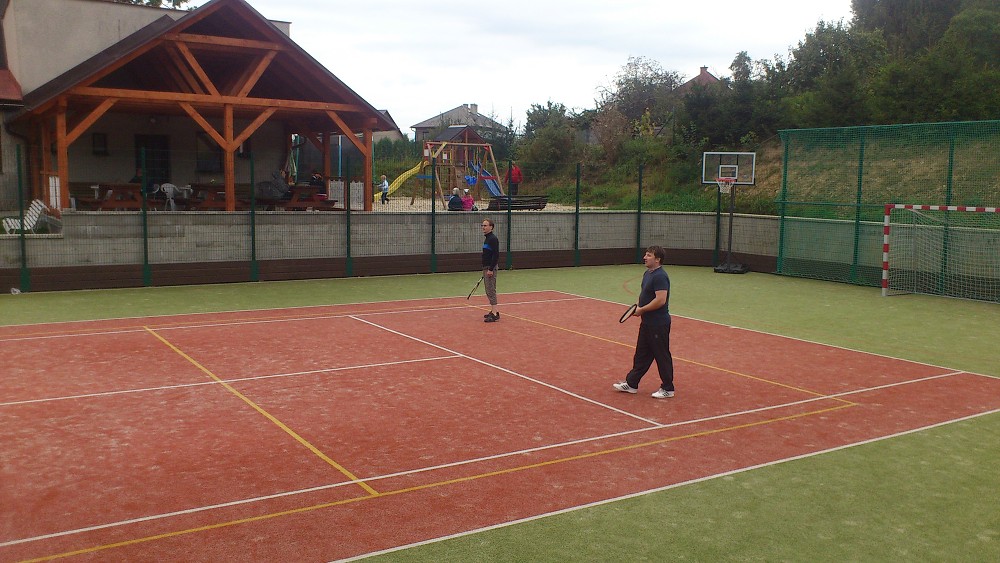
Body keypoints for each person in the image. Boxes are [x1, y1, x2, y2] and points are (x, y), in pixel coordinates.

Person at [613, 245, 675, 399]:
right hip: (647, 322)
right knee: (641, 354)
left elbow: (660, 300)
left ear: (657, 259)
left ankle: (668, 388)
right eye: (645, 255)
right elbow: (644, 295)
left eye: (648, 255)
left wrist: (642, 310)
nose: (645, 257)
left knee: (661, 355)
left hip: (658, 324)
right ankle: (631, 383)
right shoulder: (648, 274)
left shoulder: (660, 276)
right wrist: (638, 306)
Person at [481, 218, 500, 322]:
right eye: (482, 225)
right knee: (488, 290)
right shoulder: (487, 238)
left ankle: (494, 313)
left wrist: (491, 269)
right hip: (486, 268)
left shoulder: (493, 239)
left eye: (485, 225)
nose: (483, 227)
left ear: (491, 227)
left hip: (490, 268)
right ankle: (494, 311)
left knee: (491, 290)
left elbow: (496, 255)